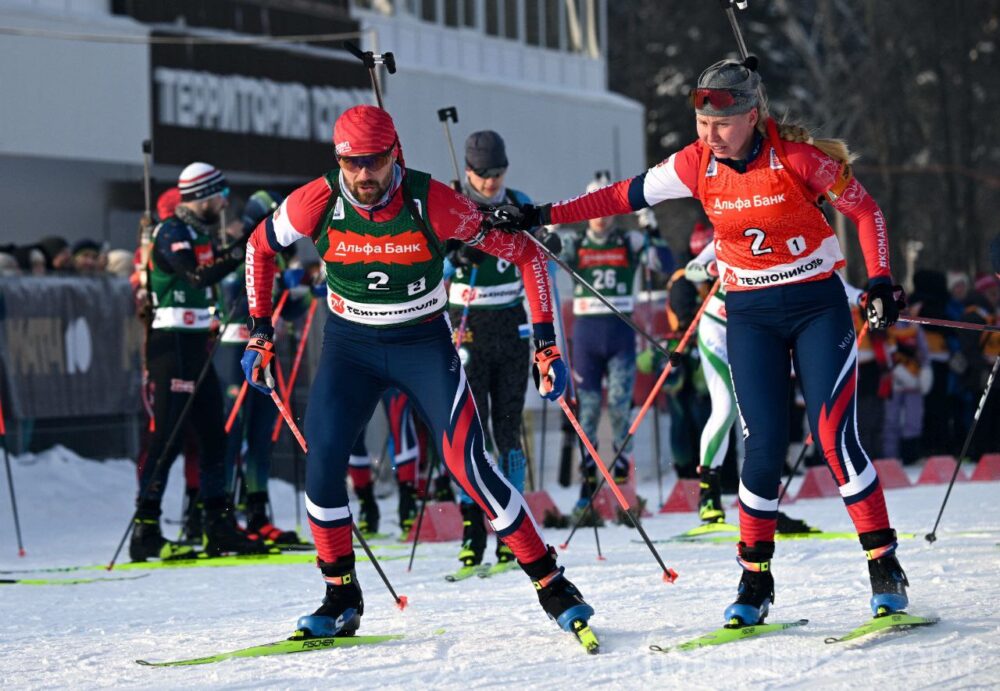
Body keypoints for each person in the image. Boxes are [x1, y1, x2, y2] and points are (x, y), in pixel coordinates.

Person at [491, 57, 911, 624]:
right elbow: (621, 197)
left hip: (817, 308)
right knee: (760, 445)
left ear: (753, 116)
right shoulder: (696, 164)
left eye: (722, 125)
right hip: (750, 314)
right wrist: (540, 214)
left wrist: (881, 279)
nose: (708, 136)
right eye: (701, 125)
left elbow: (867, 213)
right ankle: (755, 578)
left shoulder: (798, 159)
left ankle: (883, 562)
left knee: (834, 438)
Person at [241, 105, 594, 642]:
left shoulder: (434, 202)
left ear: (395, 155)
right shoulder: (317, 200)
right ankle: (340, 597)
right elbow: (258, 247)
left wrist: (546, 344)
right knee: (322, 467)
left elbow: (526, 255)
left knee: (468, 466)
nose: (364, 175)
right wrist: (261, 332)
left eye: (376, 162)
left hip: (421, 342)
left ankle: (550, 582)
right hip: (349, 346)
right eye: (352, 163)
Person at [130, 162, 268, 562]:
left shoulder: (199, 231)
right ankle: (146, 530)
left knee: (214, 437)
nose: (224, 203)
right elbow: (194, 276)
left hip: (196, 347)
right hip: (170, 348)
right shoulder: (172, 230)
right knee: (167, 439)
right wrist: (242, 252)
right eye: (219, 195)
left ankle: (217, 526)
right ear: (202, 196)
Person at [446, 130, 539, 573]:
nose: (490, 183)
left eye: (497, 174)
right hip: (467, 326)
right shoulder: (453, 204)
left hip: (510, 324)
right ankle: (471, 529)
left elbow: (539, 259)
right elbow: (430, 260)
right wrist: (453, 257)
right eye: (483, 176)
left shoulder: (518, 200)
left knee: (508, 430)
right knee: (471, 434)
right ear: (468, 172)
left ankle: (511, 531)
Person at [556, 173, 673, 522]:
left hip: (621, 334)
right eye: (595, 208)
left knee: (621, 411)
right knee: (588, 414)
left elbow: (665, 266)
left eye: (607, 208)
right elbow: (543, 250)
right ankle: (586, 490)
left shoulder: (630, 240)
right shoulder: (576, 243)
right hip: (588, 337)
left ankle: (623, 488)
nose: (601, 216)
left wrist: (653, 231)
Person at [216, 190, 309, 544]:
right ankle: (221, 514)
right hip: (235, 350)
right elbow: (231, 298)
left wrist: (302, 293)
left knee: (262, 434)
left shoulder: (279, 257)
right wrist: (276, 286)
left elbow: (286, 308)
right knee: (231, 433)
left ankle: (257, 512)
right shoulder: (241, 250)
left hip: (267, 352)